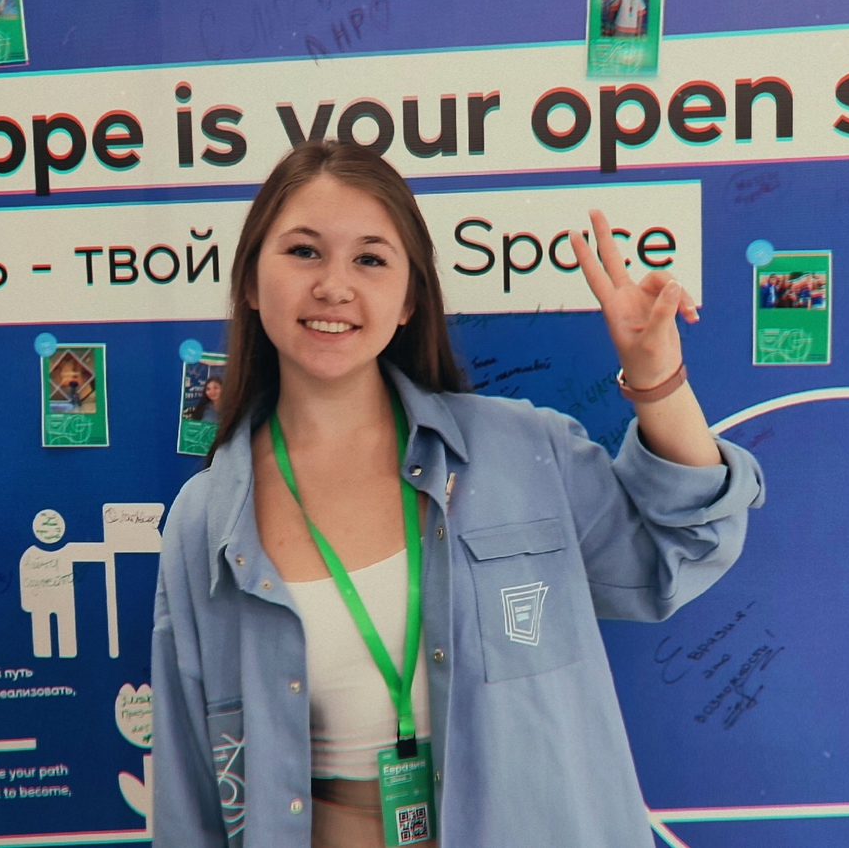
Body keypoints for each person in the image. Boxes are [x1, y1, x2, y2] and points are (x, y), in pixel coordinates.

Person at [150, 140, 765, 847]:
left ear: (409, 299)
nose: (334, 286)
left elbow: (682, 549)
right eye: (304, 252)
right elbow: (189, 793)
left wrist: (657, 378)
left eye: (370, 260)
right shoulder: (206, 522)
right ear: (252, 283)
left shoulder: (522, 449)